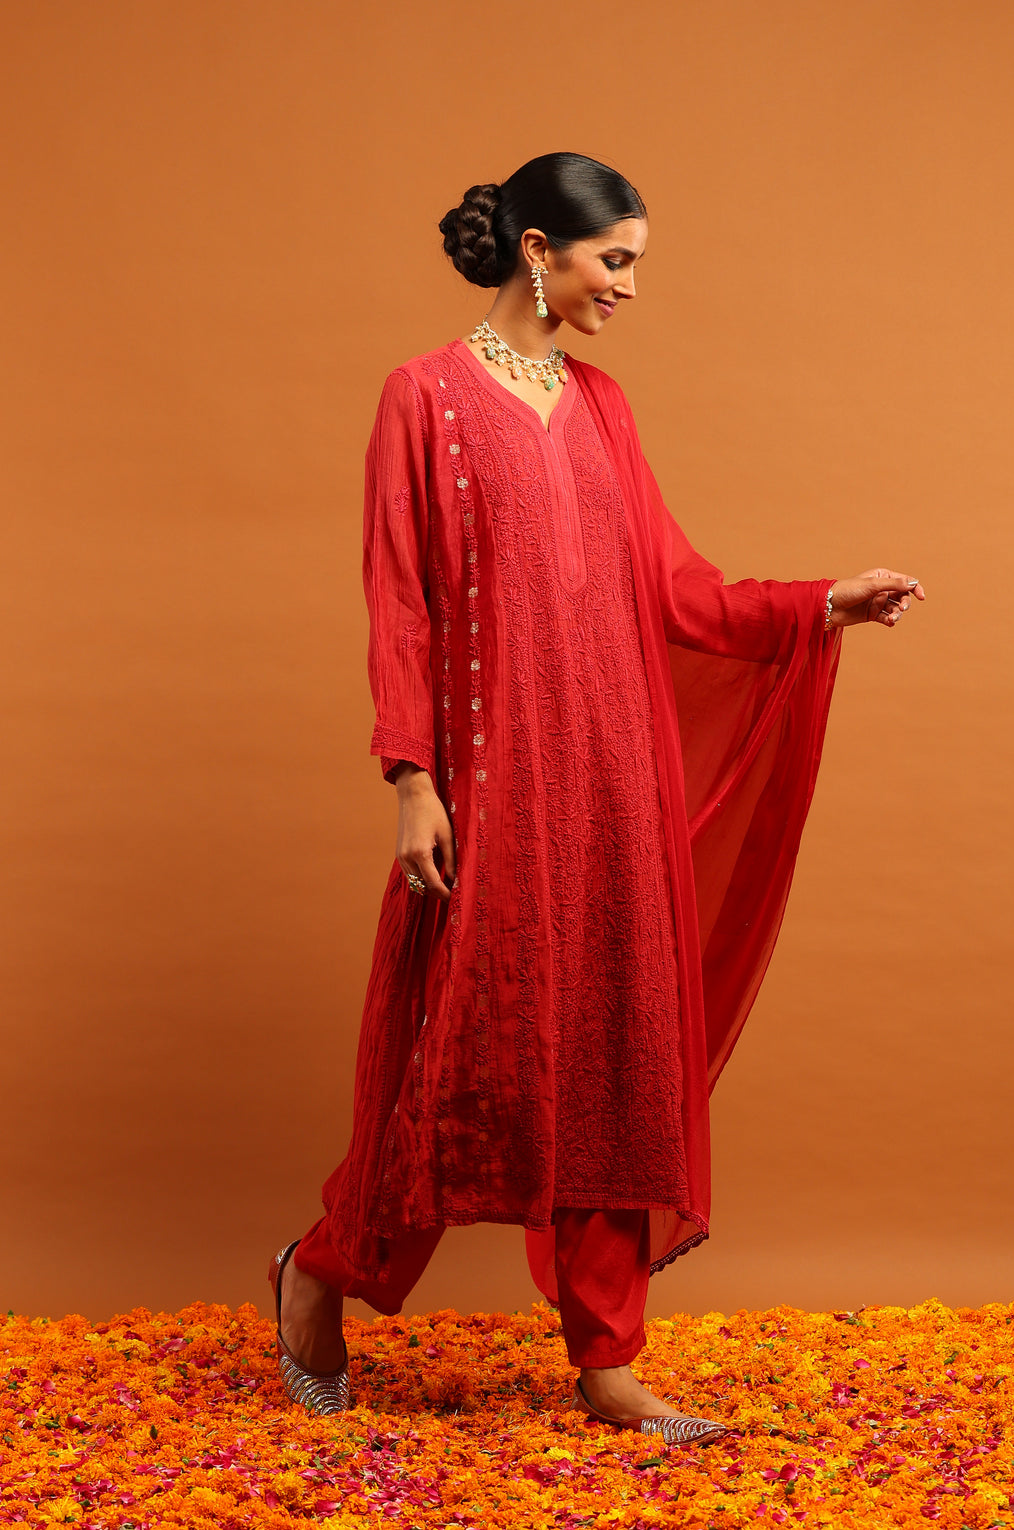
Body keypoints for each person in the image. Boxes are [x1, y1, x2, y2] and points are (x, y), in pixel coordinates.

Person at [267, 152, 925, 1440]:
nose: (627, 286)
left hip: (615, 782)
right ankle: (322, 1270)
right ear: (538, 250)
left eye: (633, 264)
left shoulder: (606, 407)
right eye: (614, 260)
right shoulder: (423, 397)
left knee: (620, 1054)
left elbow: (675, 588)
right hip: (491, 779)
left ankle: (608, 1357)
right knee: (451, 1064)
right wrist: (412, 777)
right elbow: (400, 600)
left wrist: (818, 603)